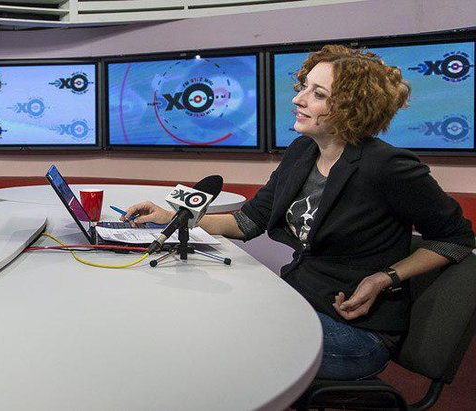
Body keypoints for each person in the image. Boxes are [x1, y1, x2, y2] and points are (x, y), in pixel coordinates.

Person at [122, 45, 475, 380]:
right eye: (305, 87)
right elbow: (248, 221)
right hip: (297, 301)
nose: (298, 99)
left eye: (317, 94)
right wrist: (172, 218)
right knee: (195, 317)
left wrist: (385, 278)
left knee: (212, 341)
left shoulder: (389, 167)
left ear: (352, 107)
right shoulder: (302, 151)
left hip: (357, 333)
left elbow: (456, 238)